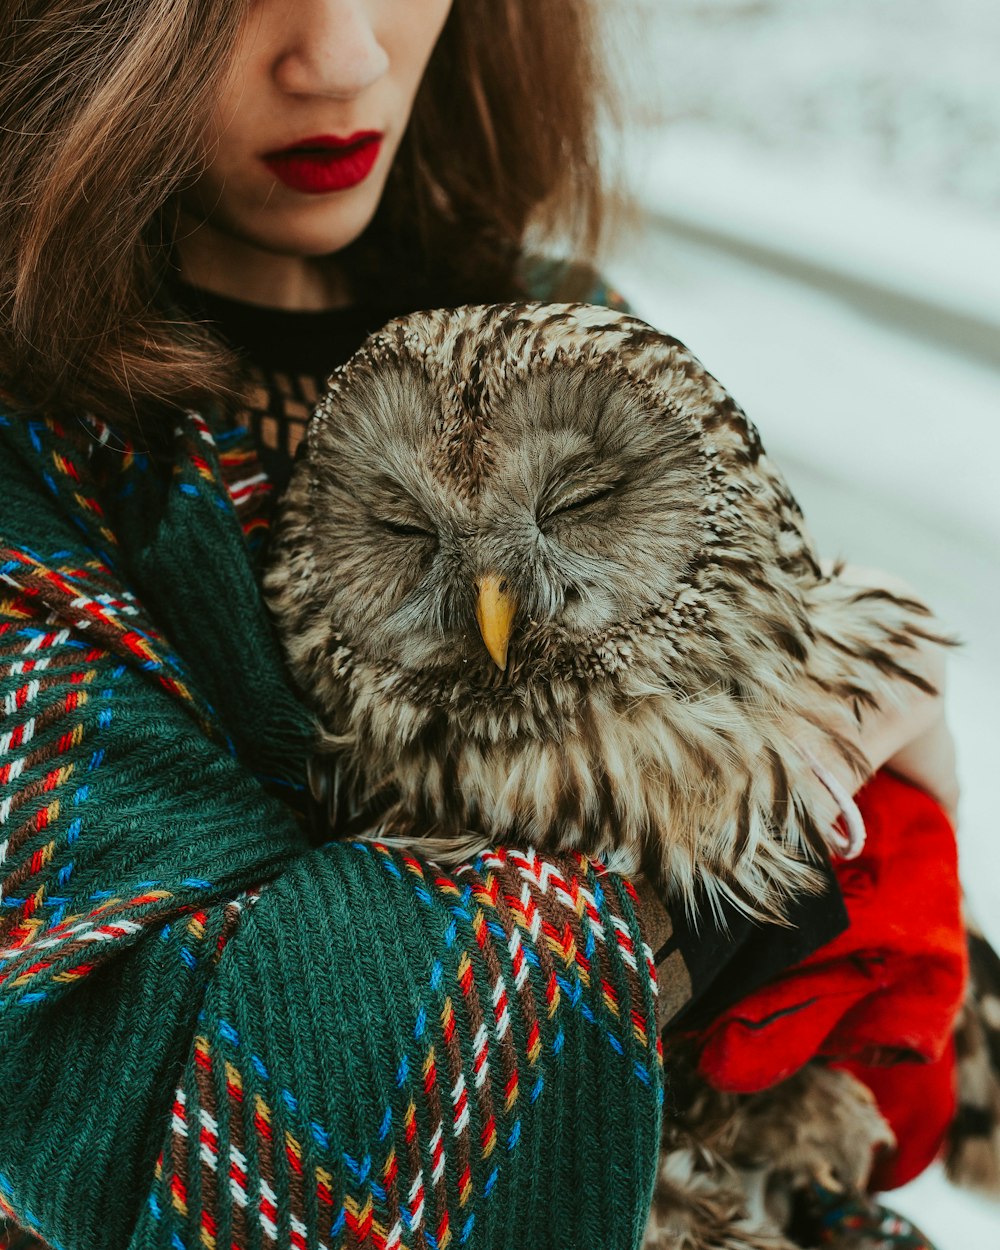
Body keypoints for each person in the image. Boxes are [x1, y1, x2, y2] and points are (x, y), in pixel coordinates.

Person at [0, 3, 969, 1249]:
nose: (341, 56)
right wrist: (748, 849)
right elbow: (232, 1135)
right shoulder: (41, 472)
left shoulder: (538, 298)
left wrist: (894, 798)